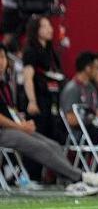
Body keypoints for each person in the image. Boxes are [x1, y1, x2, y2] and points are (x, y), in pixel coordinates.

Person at [0, 49, 98, 197]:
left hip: (13, 127)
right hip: (4, 131)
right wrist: (19, 126)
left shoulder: (5, 84)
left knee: (53, 145)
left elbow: (9, 110)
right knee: (38, 146)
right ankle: (80, 177)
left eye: (3, 57)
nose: (2, 61)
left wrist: (23, 122)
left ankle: (71, 182)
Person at [20, 15, 63, 143]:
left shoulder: (51, 51)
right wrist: (32, 101)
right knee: (38, 138)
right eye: (44, 26)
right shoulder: (30, 51)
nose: (49, 29)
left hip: (51, 98)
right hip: (38, 98)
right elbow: (28, 77)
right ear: (35, 30)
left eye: (49, 26)